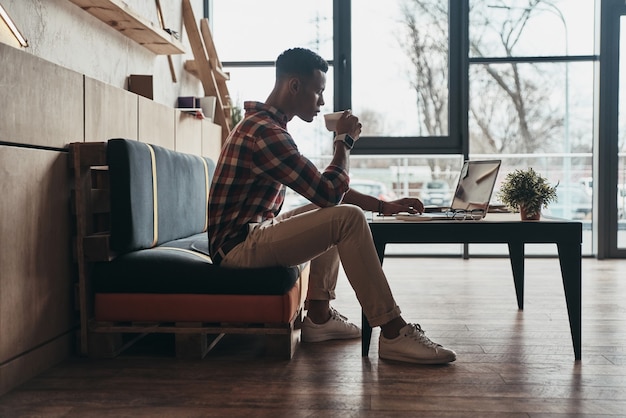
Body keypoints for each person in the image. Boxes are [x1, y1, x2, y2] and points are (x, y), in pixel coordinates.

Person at [208, 47, 456, 364]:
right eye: (318, 91)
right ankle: (393, 332)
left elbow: (324, 193)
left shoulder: (265, 127)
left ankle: (320, 318)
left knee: (335, 214)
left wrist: (385, 206)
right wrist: (344, 142)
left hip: (249, 236)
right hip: (238, 249)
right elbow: (328, 194)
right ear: (294, 86)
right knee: (346, 218)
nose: (322, 102)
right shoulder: (266, 133)